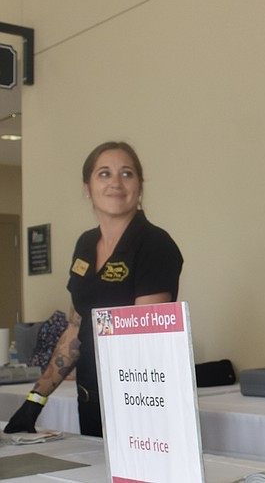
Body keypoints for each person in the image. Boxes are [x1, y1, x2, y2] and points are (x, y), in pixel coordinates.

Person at [4, 141, 183, 437]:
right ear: (87, 186)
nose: (115, 182)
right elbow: (76, 328)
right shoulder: (86, 245)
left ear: (139, 186)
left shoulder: (154, 244)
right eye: (104, 174)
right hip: (90, 397)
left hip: (137, 400)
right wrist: (35, 401)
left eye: (127, 174)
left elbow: (145, 334)